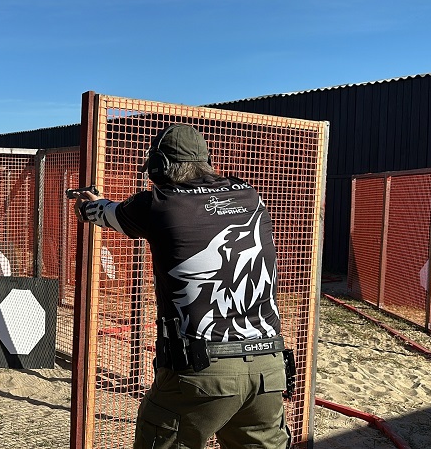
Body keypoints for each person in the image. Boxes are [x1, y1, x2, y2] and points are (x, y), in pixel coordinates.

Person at [73, 124, 290, 449]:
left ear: (160, 167)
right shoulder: (250, 196)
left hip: (200, 370)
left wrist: (88, 206)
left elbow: (105, 213)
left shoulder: (156, 204)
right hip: (269, 368)